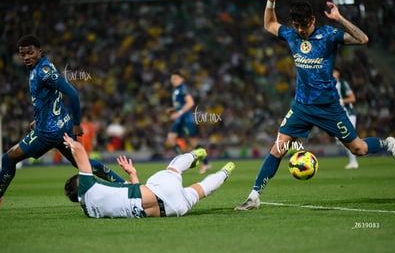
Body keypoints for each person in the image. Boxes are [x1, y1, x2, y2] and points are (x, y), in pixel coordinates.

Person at [234, 0, 395, 211]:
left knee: (359, 149)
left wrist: (339, 18)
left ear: (313, 20)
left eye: (303, 26)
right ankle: (254, 196)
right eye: (296, 26)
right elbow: (269, 24)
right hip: (302, 107)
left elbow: (363, 39)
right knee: (279, 147)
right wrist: (271, 1)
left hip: (329, 108)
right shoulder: (292, 35)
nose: (300, 30)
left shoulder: (329, 35)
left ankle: (387, 144)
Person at [0, 35, 126, 205]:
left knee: (8, 159)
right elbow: (50, 98)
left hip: (48, 132)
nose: (26, 57)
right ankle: (124, 184)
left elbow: (73, 93)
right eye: (23, 54)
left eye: (30, 53)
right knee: (82, 162)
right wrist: (39, 118)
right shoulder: (42, 68)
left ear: (39, 51)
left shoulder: (44, 72)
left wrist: (77, 124)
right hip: (60, 127)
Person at [63, 133, 235, 218]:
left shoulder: (90, 212)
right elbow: (80, 152)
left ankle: (225, 172)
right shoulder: (86, 187)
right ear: (80, 185)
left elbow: (128, 196)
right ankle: (194, 155)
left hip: (172, 210)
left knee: (200, 190)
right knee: (173, 169)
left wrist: (133, 175)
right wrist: (70, 142)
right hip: (159, 191)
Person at [165, 71, 211, 174]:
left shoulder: (183, 88)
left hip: (185, 118)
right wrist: (173, 109)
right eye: (172, 78)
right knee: (170, 140)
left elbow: (190, 102)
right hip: (179, 118)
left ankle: (206, 163)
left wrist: (179, 112)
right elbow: (181, 104)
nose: (173, 80)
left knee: (193, 142)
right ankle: (182, 163)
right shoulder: (176, 90)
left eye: (176, 78)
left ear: (182, 79)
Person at [333, 67, 359, 169]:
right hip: (338, 115)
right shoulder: (328, 84)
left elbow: (352, 98)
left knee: (348, 138)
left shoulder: (342, 84)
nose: (332, 74)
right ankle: (361, 147)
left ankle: (354, 162)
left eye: (334, 72)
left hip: (348, 114)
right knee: (340, 140)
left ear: (338, 73)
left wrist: (341, 101)